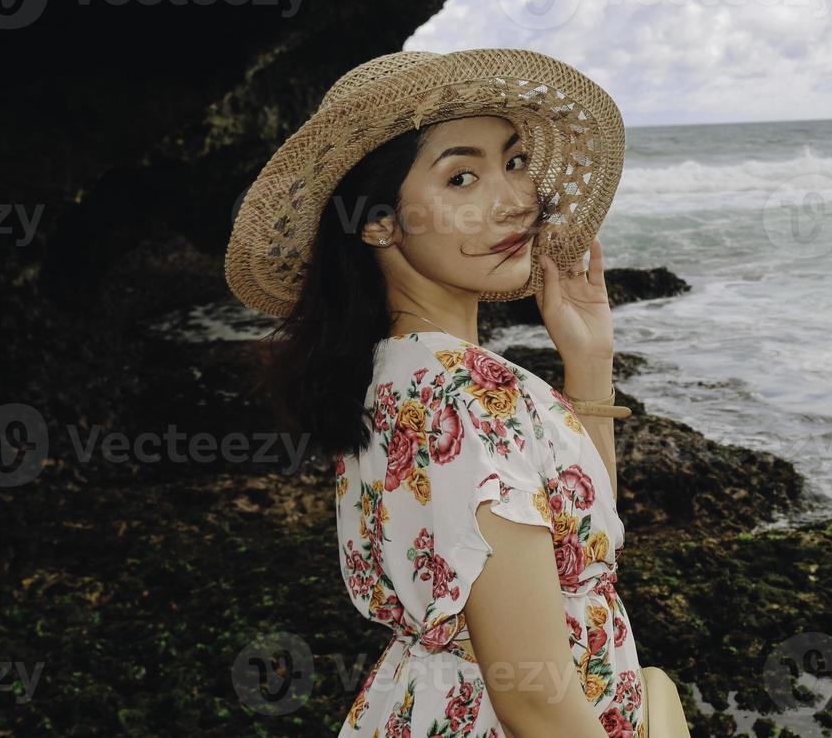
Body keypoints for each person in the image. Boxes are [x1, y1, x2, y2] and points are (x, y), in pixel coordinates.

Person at [225, 49, 644, 738]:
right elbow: (535, 701)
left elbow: (577, 550)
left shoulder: (393, 374)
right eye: (462, 177)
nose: (514, 199)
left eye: (513, 162)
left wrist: (589, 361)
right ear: (378, 221)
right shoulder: (469, 397)